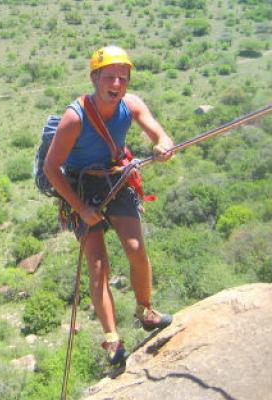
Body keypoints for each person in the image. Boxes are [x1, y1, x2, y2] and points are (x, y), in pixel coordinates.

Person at [43, 46, 175, 364]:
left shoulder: (130, 105)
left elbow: (157, 131)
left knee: (135, 248)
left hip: (115, 176)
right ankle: (112, 338)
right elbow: (51, 168)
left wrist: (163, 143)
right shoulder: (75, 118)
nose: (116, 84)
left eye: (122, 78)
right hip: (79, 186)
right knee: (98, 264)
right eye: (110, 77)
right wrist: (80, 208)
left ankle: (146, 310)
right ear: (95, 78)